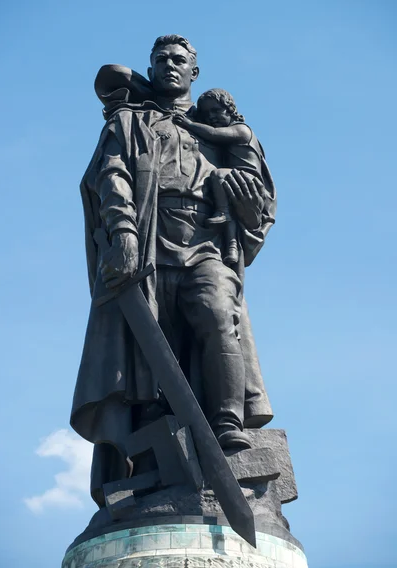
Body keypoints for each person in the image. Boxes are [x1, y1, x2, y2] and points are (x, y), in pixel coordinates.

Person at [70, 35, 277, 508]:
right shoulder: (130, 121)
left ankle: (227, 424)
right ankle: (156, 455)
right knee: (150, 353)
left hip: (206, 241)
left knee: (217, 312)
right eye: (160, 59)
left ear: (193, 72)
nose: (168, 65)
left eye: (178, 60)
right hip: (147, 243)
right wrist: (122, 231)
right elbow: (111, 175)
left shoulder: (220, 125)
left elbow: (259, 196)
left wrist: (249, 207)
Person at [173, 88, 264, 265]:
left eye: (216, 110)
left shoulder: (242, 130)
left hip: (247, 179)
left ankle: (223, 211)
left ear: (230, 109)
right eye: (207, 113)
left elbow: (213, 134)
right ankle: (231, 248)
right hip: (234, 180)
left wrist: (188, 124)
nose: (212, 117)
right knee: (230, 216)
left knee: (217, 175)